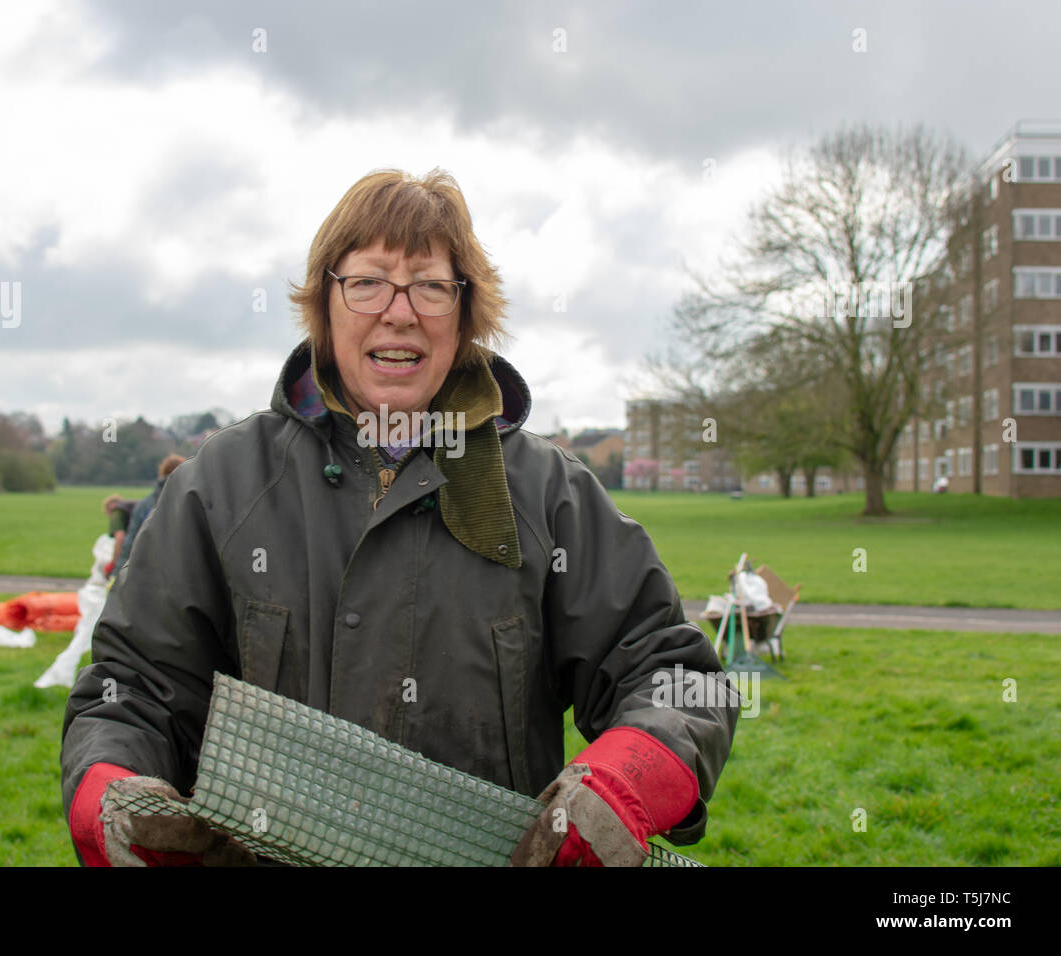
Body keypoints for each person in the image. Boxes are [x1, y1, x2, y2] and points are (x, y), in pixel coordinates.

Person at [61, 168, 740, 867]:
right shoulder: (220, 487)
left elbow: (671, 673)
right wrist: (109, 792)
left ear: (464, 313)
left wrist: (627, 782)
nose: (400, 310)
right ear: (323, 303)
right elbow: (134, 687)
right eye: (367, 281)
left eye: (430, 285)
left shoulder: (548, 495)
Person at [111, 453, 184, 580]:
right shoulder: (193, 501)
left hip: (148, 575)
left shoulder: (145, 505)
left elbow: (130, 543)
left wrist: (118, 573)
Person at [100, 494, 136, 578]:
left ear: (111, 506)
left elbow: (120, 538)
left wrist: (113, 565)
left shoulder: (117, 511)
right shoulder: (133, 507)